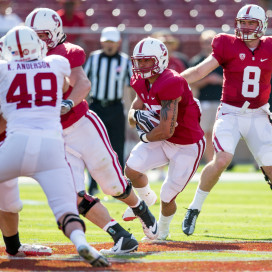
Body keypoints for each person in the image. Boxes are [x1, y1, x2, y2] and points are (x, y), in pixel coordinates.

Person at [25, 7, 158, 251]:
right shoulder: (19, 61)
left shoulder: (65, 53)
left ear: (55, 33)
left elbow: (83, 83)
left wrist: (67, 102)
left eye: (43, 35)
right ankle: (120, 236)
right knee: (72, 195)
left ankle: (141, 208)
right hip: (53, 135)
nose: (38, 41)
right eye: (33, 35)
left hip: (81, 124)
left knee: (113, 186)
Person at [0, 25, 108, 267]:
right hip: (51, 149)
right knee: (65, 208)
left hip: (16, 142)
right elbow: (60, 87)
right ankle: (81, 242)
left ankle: (14, 245)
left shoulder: (3, 70)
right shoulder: (56, 63)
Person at [181, 4, 272, 236]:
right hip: (231, 112)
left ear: (261, 26)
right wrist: (172, 83)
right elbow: (200, 71)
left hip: (259, 113)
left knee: (271, 166)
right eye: (243, 22)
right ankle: (194, 208)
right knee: (222, 159)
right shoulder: (227, 44)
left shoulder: (269, 47)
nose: (246, 27)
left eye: (252, 23)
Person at [122, 37, 205, 240]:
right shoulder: (140, 80)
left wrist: (144, 134)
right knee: (131, 169)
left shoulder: (171, 81)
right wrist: (137, 116)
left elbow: (167, 129)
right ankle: (146, 199)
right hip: (160, 137)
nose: (141, 65)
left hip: (186, 143)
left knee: (168, 196)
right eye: (139, 61)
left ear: (160, 60)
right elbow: (134, 110)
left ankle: (163, 230)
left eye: (147, 61)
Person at [84, 26, 134, 195]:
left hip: (115, 107)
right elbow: (85, 83)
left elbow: (128, 88)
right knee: (93, 147)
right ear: (101, 42)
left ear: (119, 42)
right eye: (106, 42)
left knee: (117, 147)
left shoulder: (125, 61)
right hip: (96, 106)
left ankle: (119, 185)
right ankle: (92, 184)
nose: (109, 45)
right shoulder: (94, 58)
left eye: (112, 42)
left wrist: (129, 111)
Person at [189, 30, 223, 163]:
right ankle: (211, 162)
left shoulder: (221, 60)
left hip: (222, 103)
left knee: (220, 135)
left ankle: (220, 161)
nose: (207, 45)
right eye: (205, 42)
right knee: (206, 134)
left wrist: (218, 80)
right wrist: (207, 80)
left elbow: (232, 81)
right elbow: (191, 83)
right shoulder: (197, 61)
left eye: (209, 41)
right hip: (203, 102)